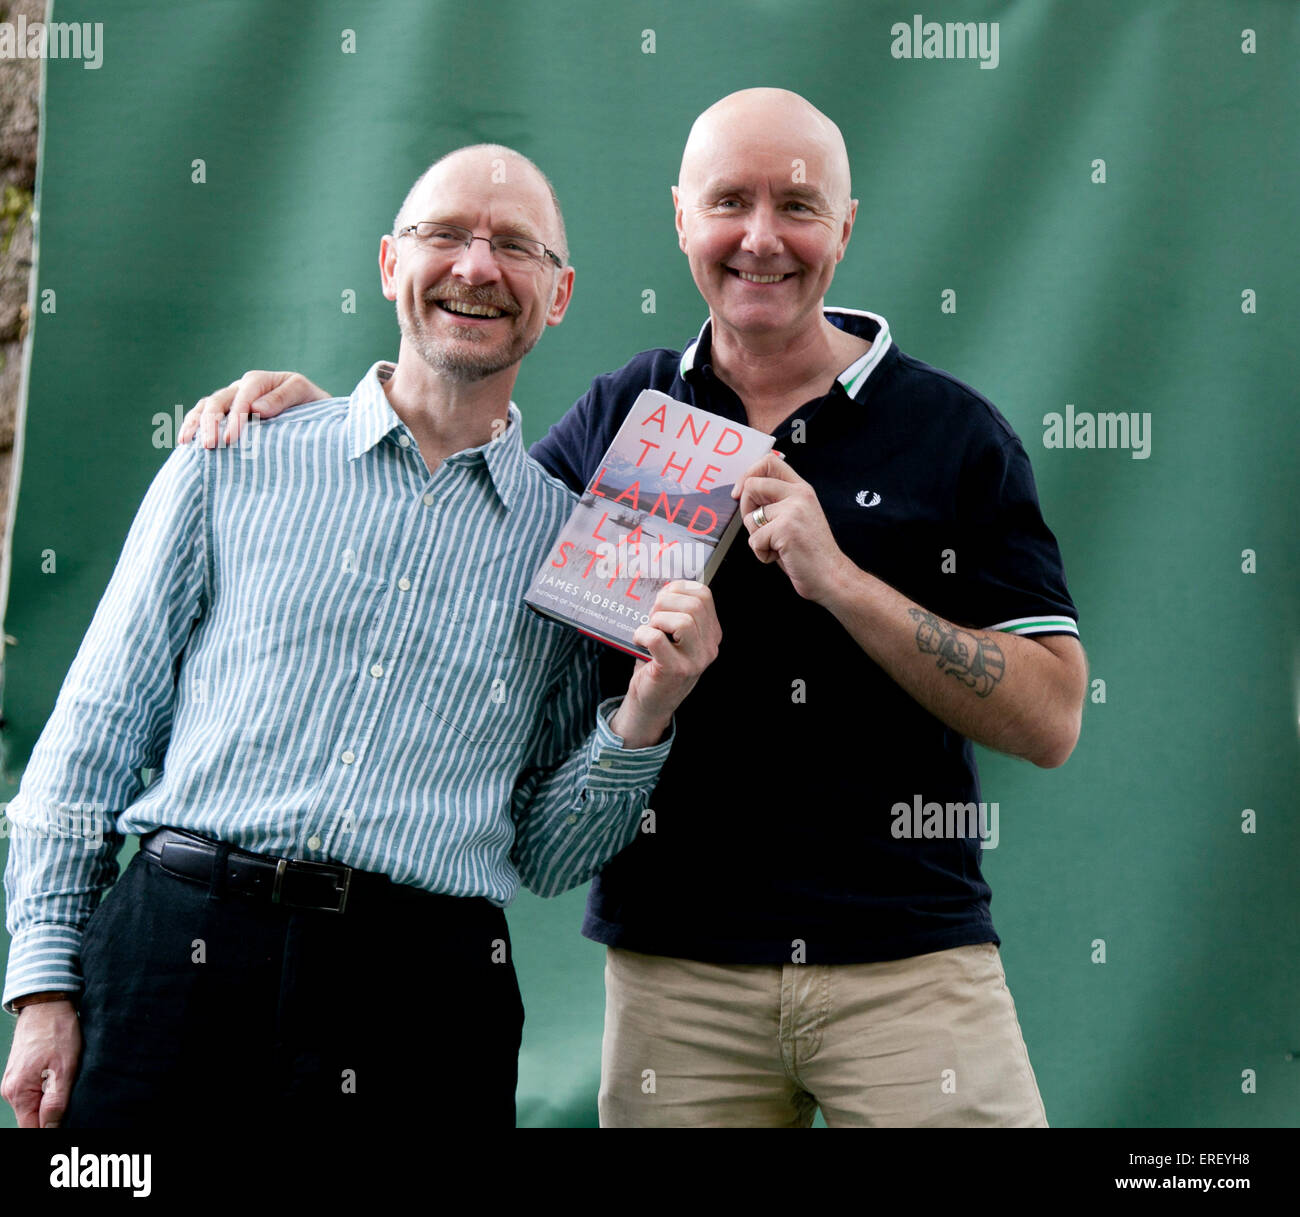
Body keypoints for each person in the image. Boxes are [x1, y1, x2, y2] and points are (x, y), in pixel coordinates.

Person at [178, 88, 1088, 1127]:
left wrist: (839, 578)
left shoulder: (955, 432)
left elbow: (1051, 717)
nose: (760, 238)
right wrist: (334, 416)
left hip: (912, 963)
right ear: (680, 219)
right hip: (675, 978)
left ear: (844, 226)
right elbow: (467, 503)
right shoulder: (628, 412)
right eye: (728, 202)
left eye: (795, 206)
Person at [0, 143, 722, 1130]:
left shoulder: (578, 548)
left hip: (425, 1003)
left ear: (559, 295)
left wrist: (644, 715)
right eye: (446, 235)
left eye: (515, 245)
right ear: (390, 263)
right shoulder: (232, 456)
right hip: (173, 964)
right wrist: (44, 986)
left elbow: (550, 856)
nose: (476, 266)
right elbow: (91, 739)